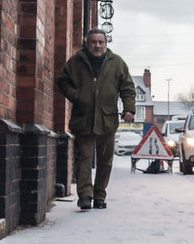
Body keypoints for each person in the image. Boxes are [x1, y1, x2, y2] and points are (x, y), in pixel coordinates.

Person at [57, 28, 136, 209]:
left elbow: (128, 88)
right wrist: (77, 96)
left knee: (105, 160)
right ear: (88, 43)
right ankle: (85, 195)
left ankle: (99, 195)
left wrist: (129, 109)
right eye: (93, 42)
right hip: (83, 118)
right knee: (83, 158)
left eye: (101, 42)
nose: (97, 45)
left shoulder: (117, 63)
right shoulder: (76, 62)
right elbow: (63, 81)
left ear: (106, 44)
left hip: (107, 119)